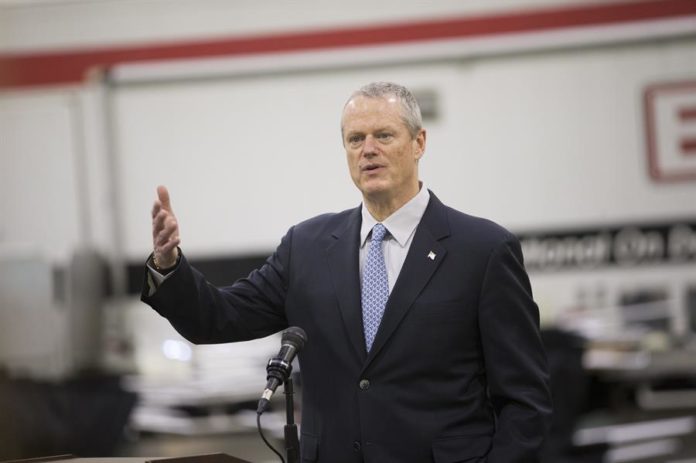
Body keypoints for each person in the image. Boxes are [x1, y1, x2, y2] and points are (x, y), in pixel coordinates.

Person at [142, 82, 552, 463]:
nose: (368, 150)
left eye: (383, 135)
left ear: (419, 143)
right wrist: (167, 264)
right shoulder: (306, 247)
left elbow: (525, 399)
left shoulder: (482, 250)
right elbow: (217, 318)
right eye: (355, 139)